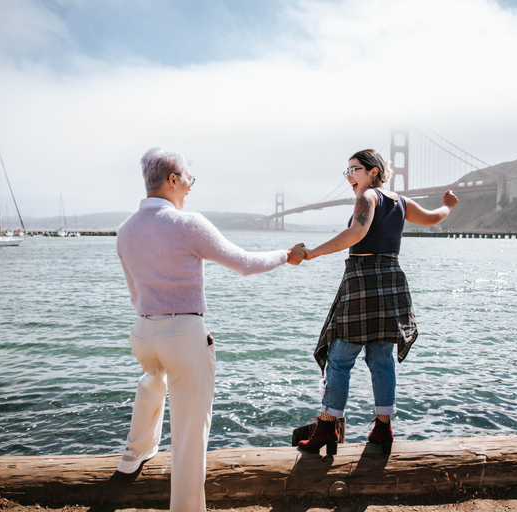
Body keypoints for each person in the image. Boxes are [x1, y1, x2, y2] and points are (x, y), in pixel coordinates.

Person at [116, 147, 305, 511]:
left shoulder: (125, 230)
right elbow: (245, 264)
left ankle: (133, 453)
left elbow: (135, 295)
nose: (190, 187)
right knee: (189, 435)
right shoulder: (187, 224)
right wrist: (285, 254)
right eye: (189, 179)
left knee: (154, 376)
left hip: (142, 334)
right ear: (173, 179)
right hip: (183, 335)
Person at [298, 148, 458, 456]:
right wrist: (448, 206)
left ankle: (328, 423)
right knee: (381, 359)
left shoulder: (368, 197)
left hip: (363, 278)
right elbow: (434, 218)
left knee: (340, 357)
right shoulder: (401, 201)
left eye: (354, 169)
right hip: (392, 279)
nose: (349, 176)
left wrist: (311, 253)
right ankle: (383, 428)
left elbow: (356, 232)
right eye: (346, 171)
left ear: (373, 172)